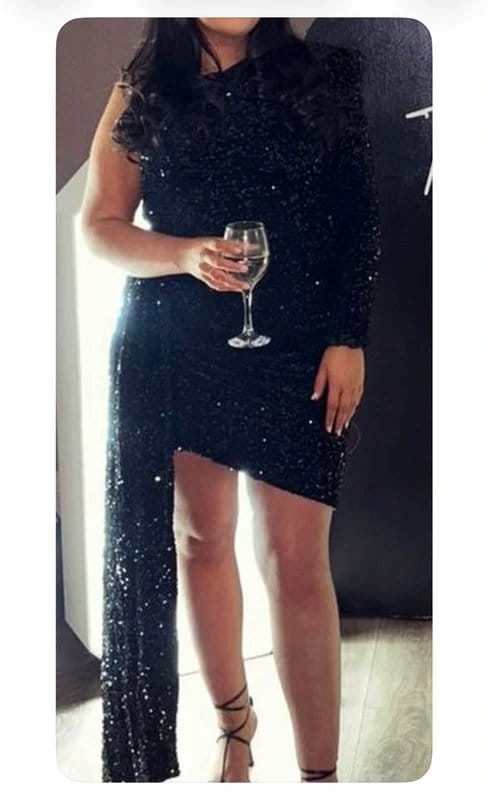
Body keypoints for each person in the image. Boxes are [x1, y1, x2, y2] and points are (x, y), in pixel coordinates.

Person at [81, 17, 382, 784]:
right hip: (176, 345)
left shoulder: (328, 73)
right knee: (201, 540)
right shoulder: (144, 88)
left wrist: (349, 336)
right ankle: (235, 728)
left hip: (300, 350)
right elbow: (100, 227)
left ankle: (320, 777)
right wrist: (184, 253)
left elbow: (358, 219)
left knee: (296, 563)